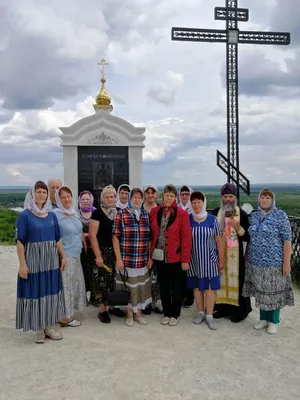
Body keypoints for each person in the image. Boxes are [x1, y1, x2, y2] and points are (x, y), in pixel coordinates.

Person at [16, 181, 66, 343]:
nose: (42, 195)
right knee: (36, 292)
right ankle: (37, 328)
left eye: (44, 192)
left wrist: (63, 256)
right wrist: (22, 264)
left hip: (50, 262)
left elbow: (57, 238)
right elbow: (20, 241)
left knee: (49, 292)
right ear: (32, 194)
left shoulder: (52, 216)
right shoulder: (25, 215)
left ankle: (48, 326)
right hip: (34, 261)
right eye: (39, 192)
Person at [243, 189, 294, 334]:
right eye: (262, 197)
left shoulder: (280, 215)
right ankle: (263, 318)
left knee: (273, 292)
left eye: (267, 198)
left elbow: (287, 240)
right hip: (256, 262)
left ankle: (273, 321)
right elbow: (250, 238)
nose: (264, 200)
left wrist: (286, 262)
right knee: (261, 290)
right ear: (259, 200)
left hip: (274, 262)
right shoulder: (254, 216)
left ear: (272, 200)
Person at [149, 184, 192, 326]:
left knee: (176, 286)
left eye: (171, 196)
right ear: (163, 196)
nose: (168, 198)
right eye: (166, 195)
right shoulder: (155, 212)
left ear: (175, 197)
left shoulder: (181, 214)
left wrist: (185, 259)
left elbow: (186, 238)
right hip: (159, 256)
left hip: (176, 257)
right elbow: (152, 234)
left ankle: (175, 314)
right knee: (164, 285)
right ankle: (166, 312)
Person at [212, 183, 252, 322]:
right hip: (218, 253)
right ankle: (222, 309)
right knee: (220, 281)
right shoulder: (215, 212)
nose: (228, 199)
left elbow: (248, 236)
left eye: (230, 196)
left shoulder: (242, 213)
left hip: (236, 255)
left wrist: (237, 227)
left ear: (235, 197)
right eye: (225, 196)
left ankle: (238, 312)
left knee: (237, 282)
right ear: (221, 197)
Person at [112, 188, 152, 326]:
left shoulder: (146, 215)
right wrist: (118, 258)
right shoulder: (122, 214)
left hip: (141, 259)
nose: (137, 199)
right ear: (130, 199)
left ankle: (138, 313)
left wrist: (150, 257)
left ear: (142, 200)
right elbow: (115, 237)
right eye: (134, 197)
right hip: (127, 259)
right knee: (129, 288)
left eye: (139, 197)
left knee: (140, 288)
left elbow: (149, 239)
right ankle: (129, 313)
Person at [187, 192, 224, 330]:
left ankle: (209, 315)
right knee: (197, 287)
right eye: (194, 202)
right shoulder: (188, 219)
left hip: (209, 259)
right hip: (194, 259)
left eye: (199, 202)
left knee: (209, 288)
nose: (196, 205)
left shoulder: (212, 219)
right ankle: (200, 312)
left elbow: (219, 241)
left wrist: (221, 260)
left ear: (204, 203)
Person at [89, 185, 125, 323]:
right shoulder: (97, 213)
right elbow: (92, 236)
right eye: (107, 196)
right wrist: (98, 255)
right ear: (102, 198)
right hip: (102, 252)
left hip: (115, 252)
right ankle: (102, 309)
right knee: (101, 281)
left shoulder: (119, 212)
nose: (110, 199)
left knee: (113, 280)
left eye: (112, 196)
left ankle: (112, 306)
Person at [54, 186, 86, 327]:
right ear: (58, 199)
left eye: (68, 196)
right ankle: (66, 317)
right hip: (65, 256)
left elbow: (79, 232)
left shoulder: (74, 212)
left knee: (73, 284)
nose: (66, 199)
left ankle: (68, 313)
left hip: (76, 254)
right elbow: (55, 237)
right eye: (63, 197)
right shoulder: (55, 214)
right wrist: (62, 256)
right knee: (66, 286)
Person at [178, 185, 194, 307]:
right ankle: (180, 295)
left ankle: (190, 297)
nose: (184, 196)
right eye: (182, 194)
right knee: (180, 273)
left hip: (193, 245)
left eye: (187, 194)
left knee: (190, 271)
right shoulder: (176, 208)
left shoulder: (194, 209)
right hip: (178, 246)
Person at [78, 191, 96, 300]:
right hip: (81, 249)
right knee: (84, 272)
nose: (85, 201)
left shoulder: (96, 213)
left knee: (95, 273)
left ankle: (94, 297)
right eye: (83, 199)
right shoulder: (76, 213)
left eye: (87, 199)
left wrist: (91, 234)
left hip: (94, 248)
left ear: (91, 200)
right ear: (80, 200)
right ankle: (83, 297)